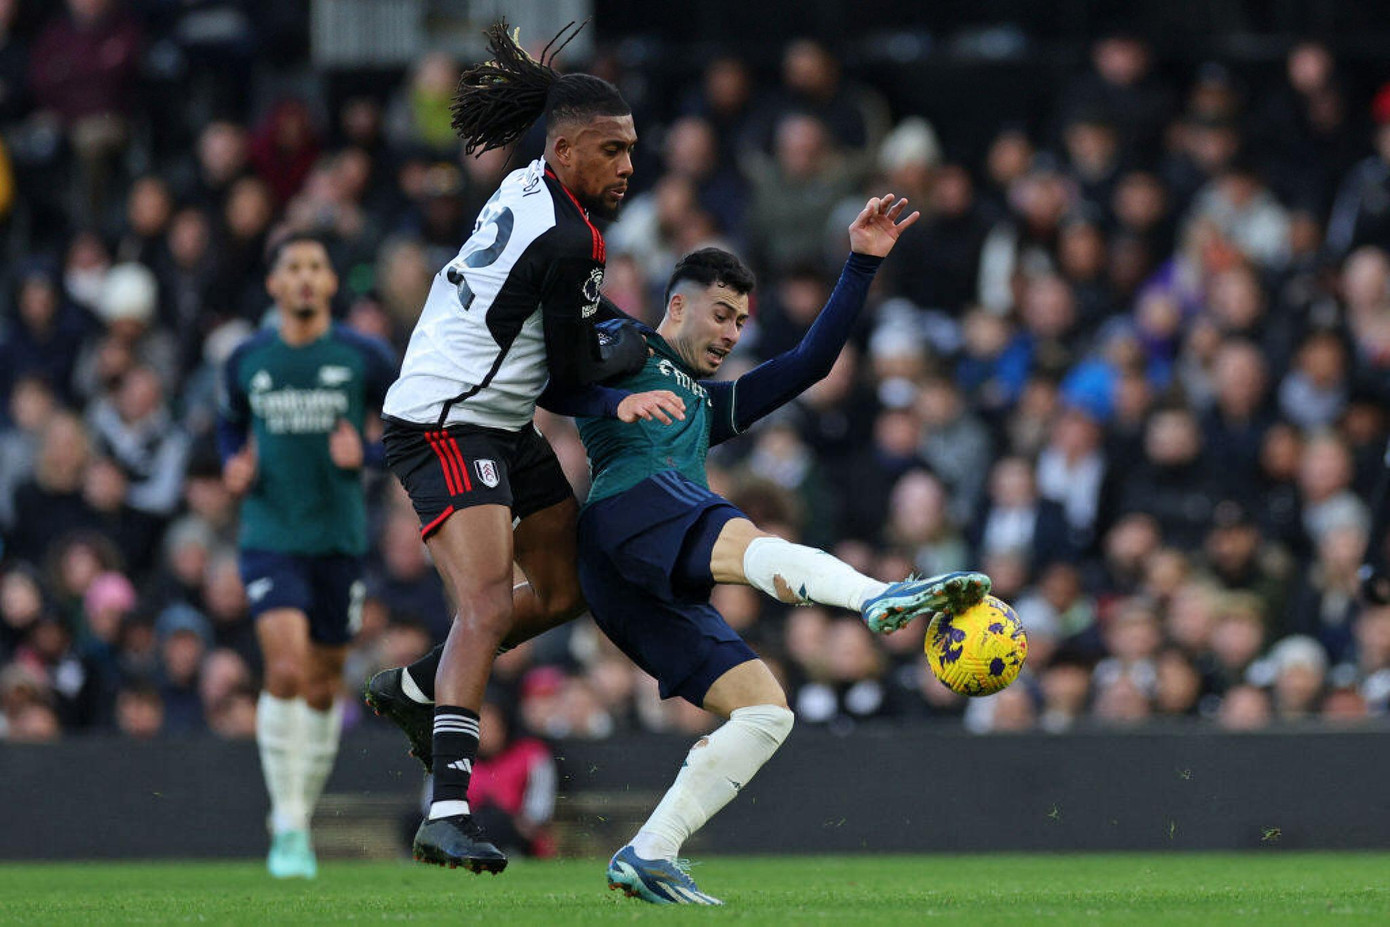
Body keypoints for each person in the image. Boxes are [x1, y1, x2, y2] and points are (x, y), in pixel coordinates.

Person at [579, 196, 989, 904]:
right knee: (743, 535)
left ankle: (649, 850)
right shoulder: (628, 344)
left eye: (741, 321)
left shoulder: (708, 404)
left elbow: (811, 362)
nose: (732, 333)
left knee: (767, 709)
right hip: (628, 505)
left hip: (632, 578)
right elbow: (556, 359)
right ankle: (874, 596)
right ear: (676, 305)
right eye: (720, 315)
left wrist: (861, 263)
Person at [362, 20, 684, 874]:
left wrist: (617, 342)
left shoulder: (527, 183)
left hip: (491, 416)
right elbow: (568, 380)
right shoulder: (574, 239)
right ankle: (449, 809)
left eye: (632, 150)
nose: (627, 167)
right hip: (449, 418)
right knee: (492, 604)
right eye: (612, 151)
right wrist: (634, 367)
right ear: (569, 146)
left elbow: (549, 351)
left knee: (567, 581)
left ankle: (417, 686)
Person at [217, 231, 397, 878]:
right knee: (287, 668)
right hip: (271, 535)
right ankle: (289, 823)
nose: (302, 278)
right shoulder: (246, 359)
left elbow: (409, 422)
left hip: (338, 540)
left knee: (323, 687)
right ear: (273, 284)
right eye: (290, 266)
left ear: (328, 284)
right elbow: (229, 422)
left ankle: (296, 814)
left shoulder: (362, 356)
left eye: (314, 267)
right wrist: (231, 465)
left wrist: (370, 454)